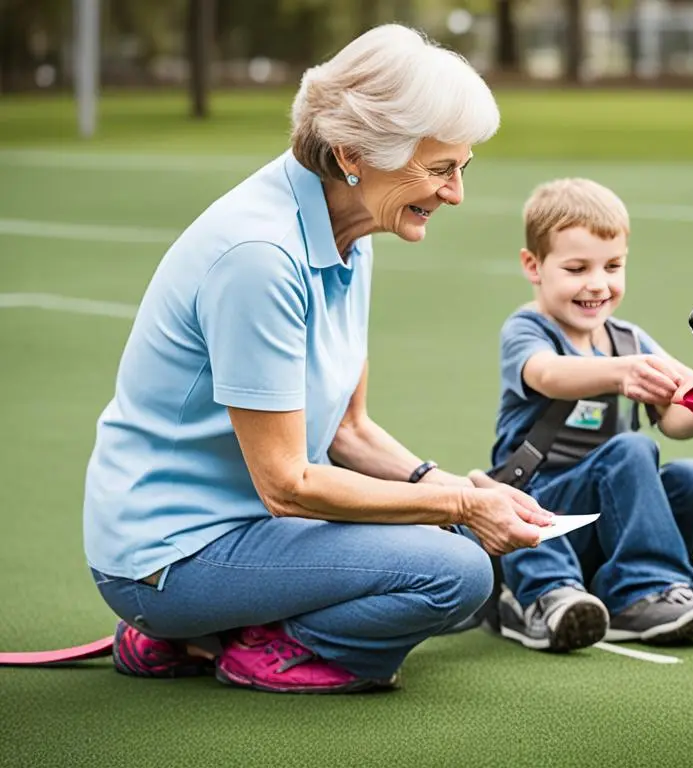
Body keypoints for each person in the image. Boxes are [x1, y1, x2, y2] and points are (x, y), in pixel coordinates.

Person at [81, 24, 552, 695]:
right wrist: (454, 504)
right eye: (440, 169)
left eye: (461, 168)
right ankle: (254, 644)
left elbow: (348, 430)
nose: (456, 193)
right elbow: (287, 484)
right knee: (458, 574)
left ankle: (194, 635)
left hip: (254, 535)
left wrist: (454, 490)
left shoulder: (350, 229)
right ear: (355, 153)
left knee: (457, 555)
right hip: (171, 557)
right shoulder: (260, 257)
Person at [482, 177, 693, 652]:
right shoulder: (529, 329)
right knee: (631, 450)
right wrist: (620, 373)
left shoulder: (627, 339)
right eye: (577, 268)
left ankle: (681, 585)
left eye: (612, 266)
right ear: (533, 266)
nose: (597, 284)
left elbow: (677, 421)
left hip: (603, 515)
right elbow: (547, 375)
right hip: (539, 515)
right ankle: (622, 592)